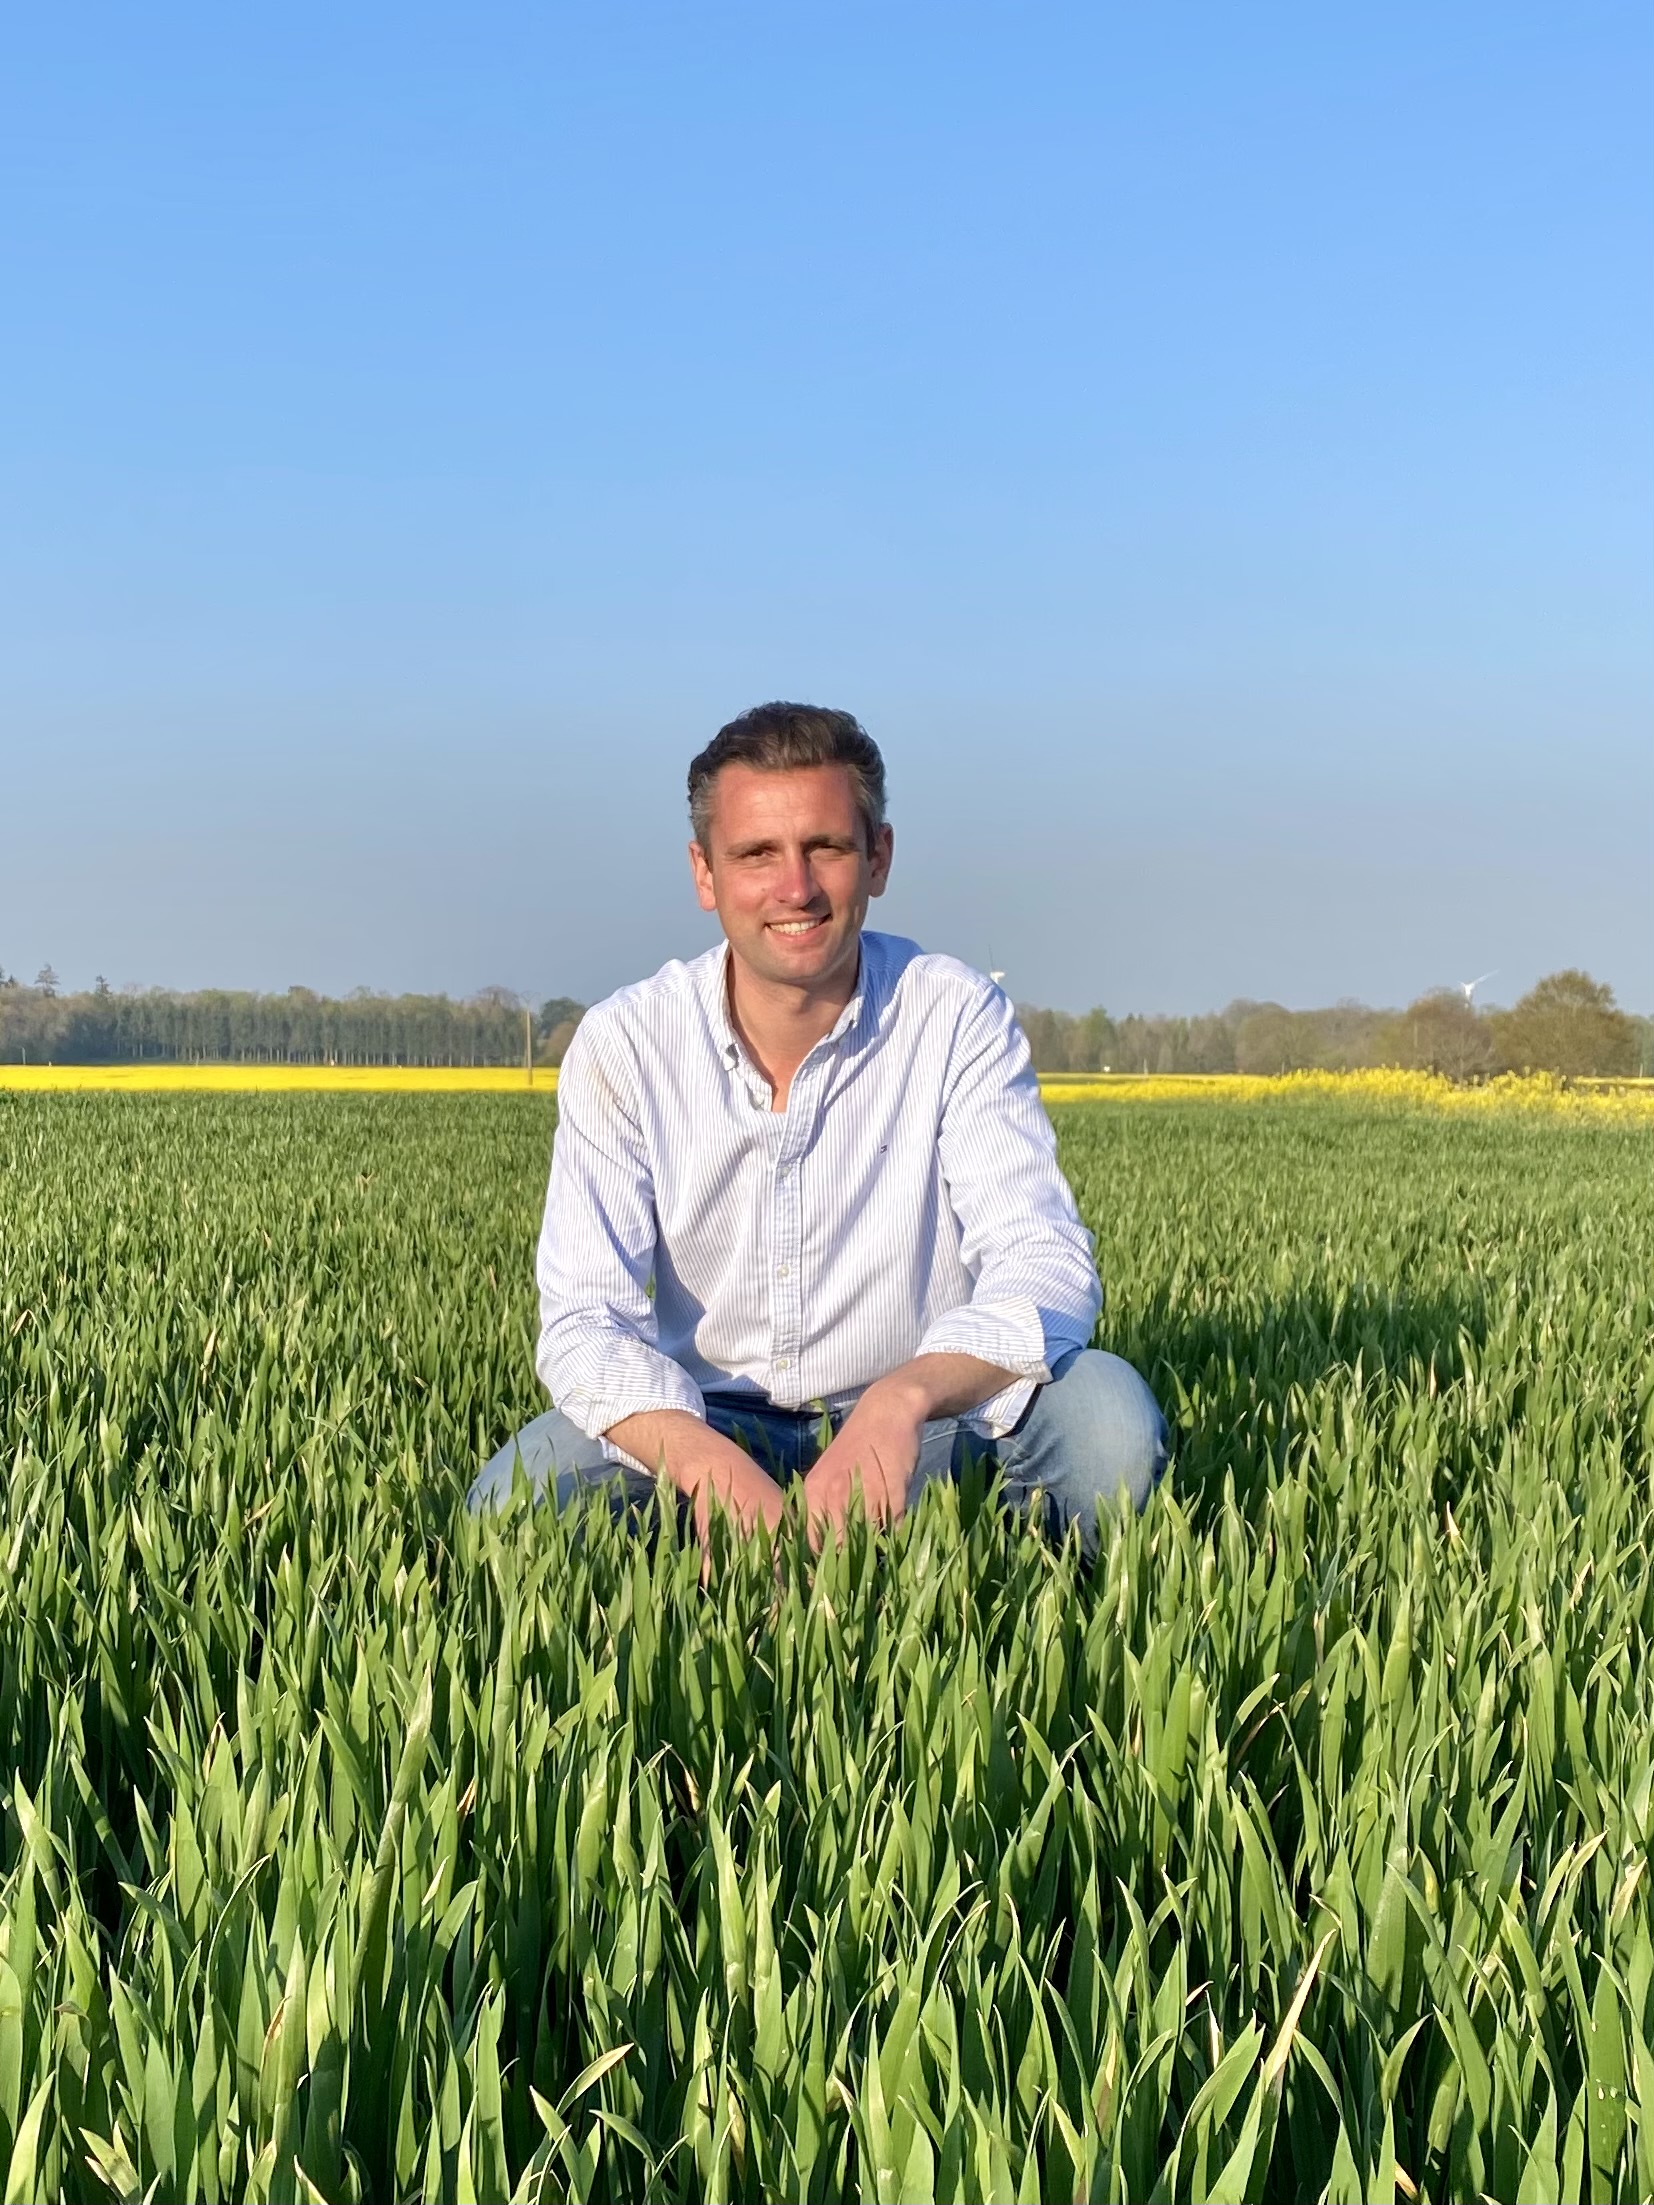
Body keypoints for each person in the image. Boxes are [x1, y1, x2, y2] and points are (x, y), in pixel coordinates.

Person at [469, 703, 1167, 1550]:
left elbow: (1045, 1267)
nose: (794, 888)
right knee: (508, 1514)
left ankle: (998, 1592)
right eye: (756, 853)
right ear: (704, 872)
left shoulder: (953, 1015)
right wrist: (695, 1456)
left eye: (825, 848)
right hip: (708, 1418)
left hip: (922, 1418)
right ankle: (717, 1562)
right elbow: (583, 1321)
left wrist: (902, 1399)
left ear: (878, 858)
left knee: (1108, 1427)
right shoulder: (628, 1043)